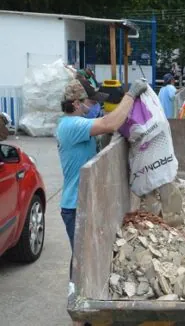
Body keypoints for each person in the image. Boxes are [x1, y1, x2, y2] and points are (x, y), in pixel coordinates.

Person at [56, 78, 148, 278]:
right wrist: (131, 95)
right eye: (91, 102)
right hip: (76, 206)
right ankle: (78, 303)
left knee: (83, 259)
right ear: (76, 104)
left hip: (83, 202)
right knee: (82, 263)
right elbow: (109, 123)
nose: (96, 106)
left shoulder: (76, 124)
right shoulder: (72, 125)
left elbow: (107, 125)